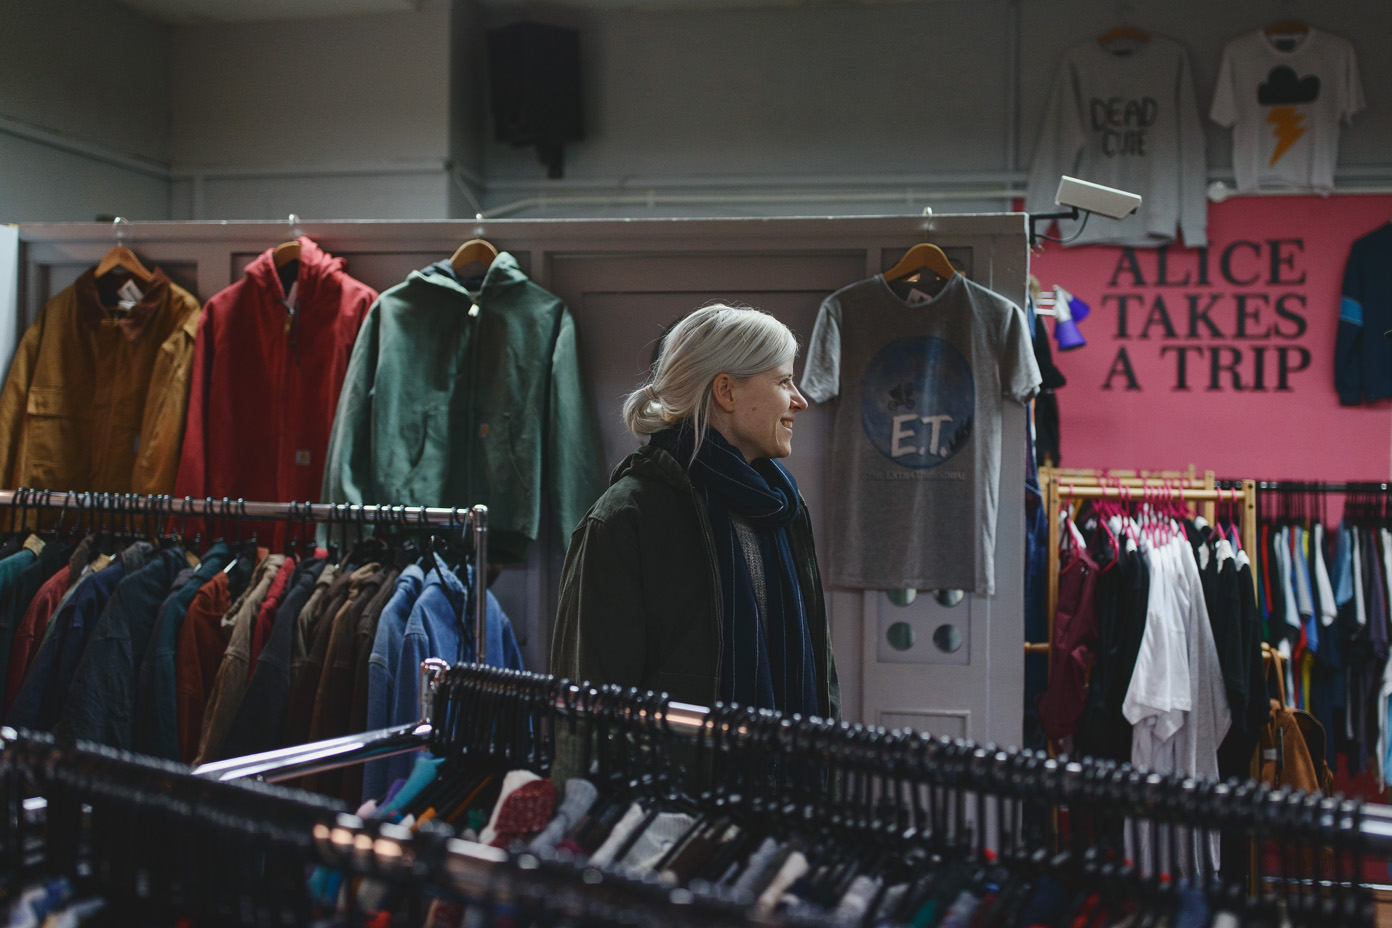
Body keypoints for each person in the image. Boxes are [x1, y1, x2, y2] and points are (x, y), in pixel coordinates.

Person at [551, 303, 839, 721]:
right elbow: (590, 702)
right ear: (726, 391)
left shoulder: (783, 507)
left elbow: (818, 667)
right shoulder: (626, 518)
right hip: (679, 785)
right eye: (783, 381)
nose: (800, 401)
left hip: (788, 780)